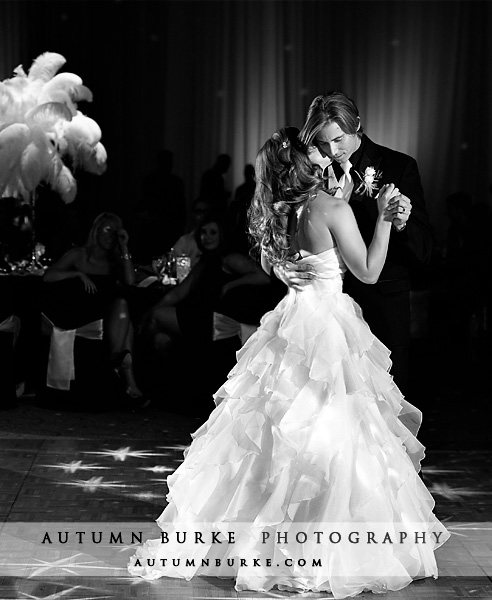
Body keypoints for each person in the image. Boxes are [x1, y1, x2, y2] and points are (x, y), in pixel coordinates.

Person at [129, 127, 448, 597]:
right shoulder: (332, 208)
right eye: (319, 149)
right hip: (327, 326)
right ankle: (324, 542)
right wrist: (380, 219)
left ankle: (265, 537)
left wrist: (281, 267)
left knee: (277, 429)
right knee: (331, 434)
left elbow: (265, 256)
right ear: (307, 161)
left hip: (291, 318)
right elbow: (369, 271)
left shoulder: (281, 210)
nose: (328, 153)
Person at [290, 91, 435, 396]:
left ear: (356, 124)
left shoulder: (398, 166)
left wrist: (401, 224)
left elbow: (424, 250)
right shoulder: (310, 169)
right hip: (328, 305)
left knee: (385, 402)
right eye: (323, 142)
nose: (332, 150)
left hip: (382, 302)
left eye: (339, 139)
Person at [43, 212, 145, 404]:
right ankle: (127, 380)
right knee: (127, 325)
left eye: (116, 233)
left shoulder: (113, 262)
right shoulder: (79, 255)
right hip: (83, 316)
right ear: (96, 231)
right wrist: (76, 274)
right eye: (108, 230)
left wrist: (124, 247)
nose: (111, 236)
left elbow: (131, 282)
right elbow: (48, 276)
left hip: (108, 316)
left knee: (123, 311)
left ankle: (117, 366)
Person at [141, 214, 269, 352]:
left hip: (215, 322)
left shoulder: (229, 258)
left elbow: (263, 277)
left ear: (222, 234)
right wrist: (149, 312)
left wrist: (231, 285)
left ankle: (133, 356)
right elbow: (178, 293)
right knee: (160, 338)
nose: (207, 237)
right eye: (203, 232)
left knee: (157, 316)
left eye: (213, 232)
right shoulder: (204, 261)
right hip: (199, 315)